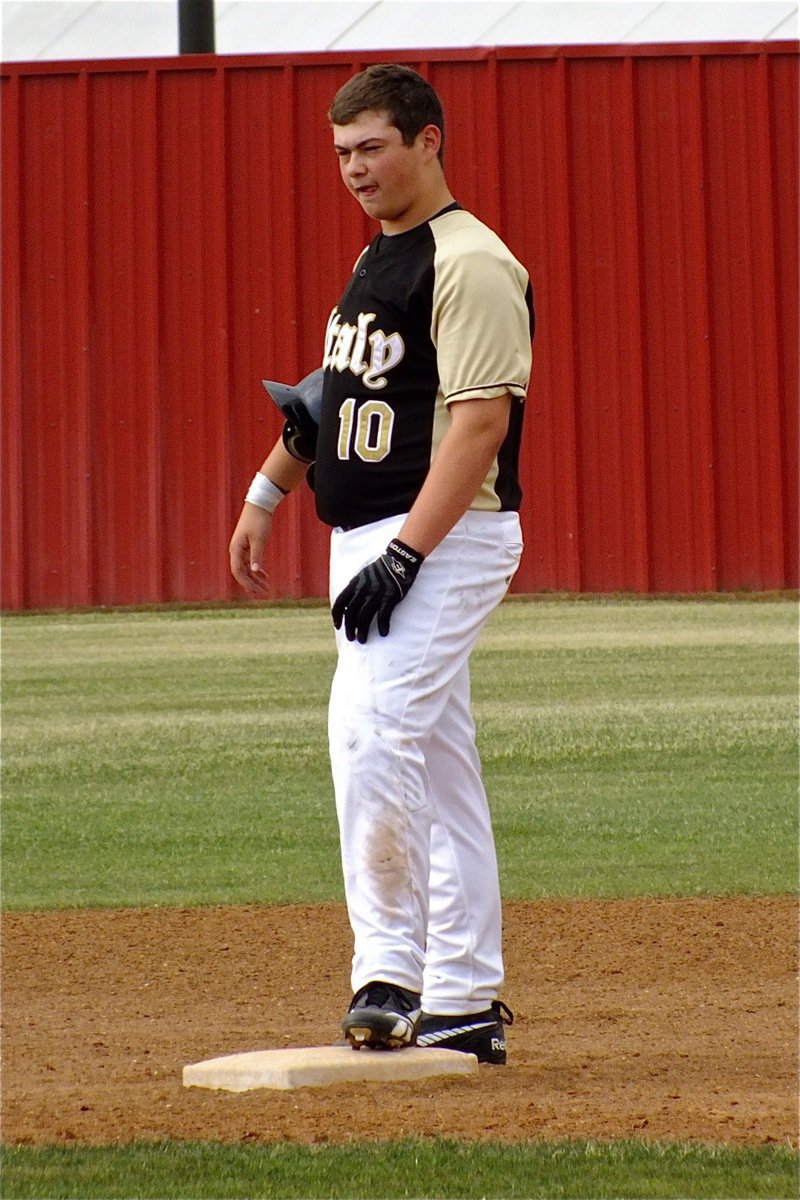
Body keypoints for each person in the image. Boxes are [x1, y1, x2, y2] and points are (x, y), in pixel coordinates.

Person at [229, 64, 534, 1065]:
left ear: (427, 140)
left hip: (443, 535)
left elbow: (480, 423)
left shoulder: (469, 261)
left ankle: (389, 973)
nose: (355, 168)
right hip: (370, 538)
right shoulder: (378, 260)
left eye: (373, 147)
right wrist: (267, 493)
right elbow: (333, 397)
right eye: (343, 153)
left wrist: (406, 554)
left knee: (371, 735)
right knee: (435, 762)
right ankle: (464, 998)